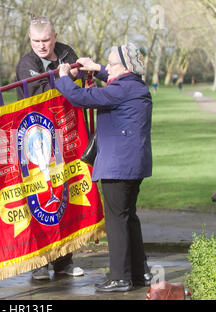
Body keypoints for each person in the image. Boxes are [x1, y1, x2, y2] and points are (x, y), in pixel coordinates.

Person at [55, 42, 153, 292]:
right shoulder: (134, 85)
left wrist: (64, 77)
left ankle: (120, 278)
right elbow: (112, 76)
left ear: (123, 67)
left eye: (110, 64)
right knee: (129, 218)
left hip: (118, 166)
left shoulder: (121, 89)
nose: (106, 67)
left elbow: (82, 98)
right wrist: (95, 67)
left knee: (117, 221)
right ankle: (139, 273)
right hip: (132, 165)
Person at [15, 16, 84, 280]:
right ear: (30, 40)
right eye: (35, 41)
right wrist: (65, 78)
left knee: (64, 194)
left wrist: (68, 80)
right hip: (35, 137)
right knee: (40, 196)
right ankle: (40, 264)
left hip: (63, 133)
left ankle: (64, 262)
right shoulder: (26, 64)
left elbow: (73, 89)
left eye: (45, 40)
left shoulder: (67, 53)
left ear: (54, 37)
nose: (41, 46)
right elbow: (40, 93)